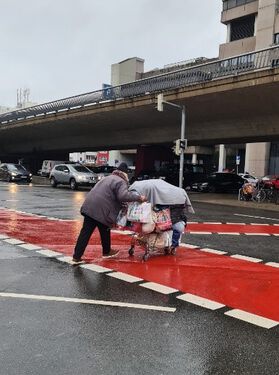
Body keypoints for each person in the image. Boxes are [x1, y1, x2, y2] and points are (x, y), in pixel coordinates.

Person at [72, 162, 145, 264]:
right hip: (101, 209)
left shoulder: (107, 178)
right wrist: (138, 198)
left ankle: (77, 256)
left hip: (89, 206)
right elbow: (123, 196)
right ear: (125, 173)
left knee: (89, 231)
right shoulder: (121, 181)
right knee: (103, 227)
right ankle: (106, 251)